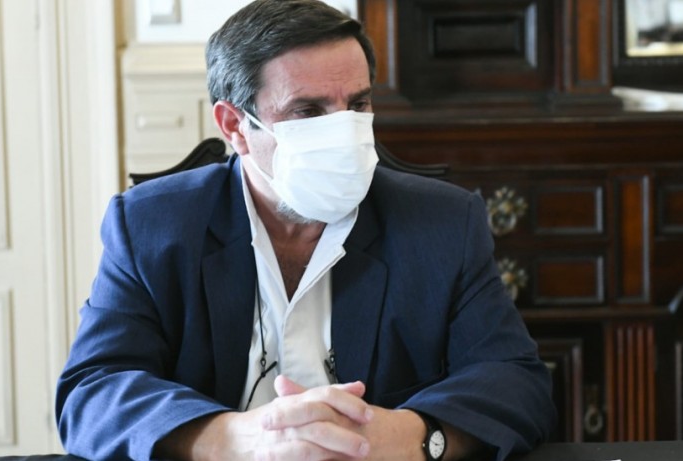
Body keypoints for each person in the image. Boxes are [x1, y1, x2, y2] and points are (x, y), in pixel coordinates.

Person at [55, 0, 556, 460]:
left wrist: (410, 436)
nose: (344, 131)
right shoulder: (152, 226)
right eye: (308, 111)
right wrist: (236, 439)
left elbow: (516, 383)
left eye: (357, 105)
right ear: (234, 126)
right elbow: (91, 393)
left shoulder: (442, 223)